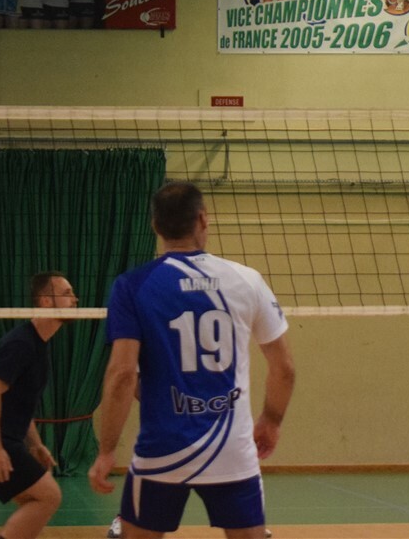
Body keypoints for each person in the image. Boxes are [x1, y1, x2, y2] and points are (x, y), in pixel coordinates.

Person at [89, 181, 295, 539]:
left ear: (155, 226)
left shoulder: (132, 285)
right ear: (203, 219)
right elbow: (284, 368)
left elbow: (122, 375)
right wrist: (271, 420)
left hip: (162, 449)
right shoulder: (247, 280)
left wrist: (107, 450)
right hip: (231, 448)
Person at [0, 272, 78, 539]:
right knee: (48, 496)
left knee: (33, 501)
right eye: (67, 293)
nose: (75, 299)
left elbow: (20, 406)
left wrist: (36, 445)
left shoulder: (39, 345)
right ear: (46, 301)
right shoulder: (20, 343)